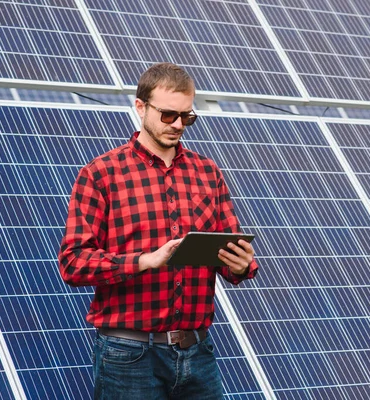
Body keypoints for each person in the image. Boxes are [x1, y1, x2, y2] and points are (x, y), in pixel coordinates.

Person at [58, 62, 258, 399]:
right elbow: (74, 262)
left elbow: (229, 248)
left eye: (187, 116)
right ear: (140, 107)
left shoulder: (206, 171)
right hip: (129, 355)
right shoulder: (101, 174)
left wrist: (240, 264)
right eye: (168, 115)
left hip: (197, 351)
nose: (178, 125)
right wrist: (146, 261)